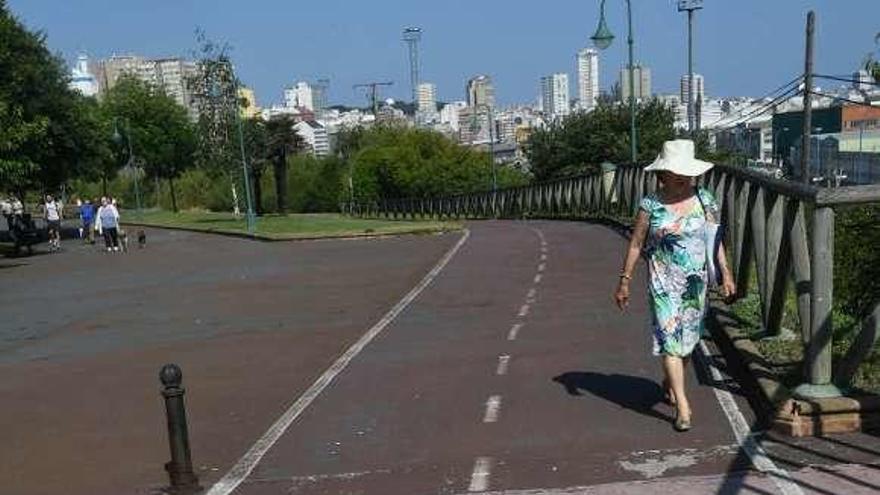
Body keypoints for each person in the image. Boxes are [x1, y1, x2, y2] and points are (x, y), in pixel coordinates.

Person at [614, 139, 736, 432]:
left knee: (687, 342)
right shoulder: (650, 205)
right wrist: (625, 281)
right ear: (662, 174)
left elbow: (714, 242)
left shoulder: (705, 200)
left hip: (696, 282)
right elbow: (636, 244)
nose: (682, 177)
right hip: (663, 281)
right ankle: (683, 406)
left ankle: (671, 381)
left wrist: (726, 272)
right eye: (675, 171)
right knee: (670, 339)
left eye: (686, 172)